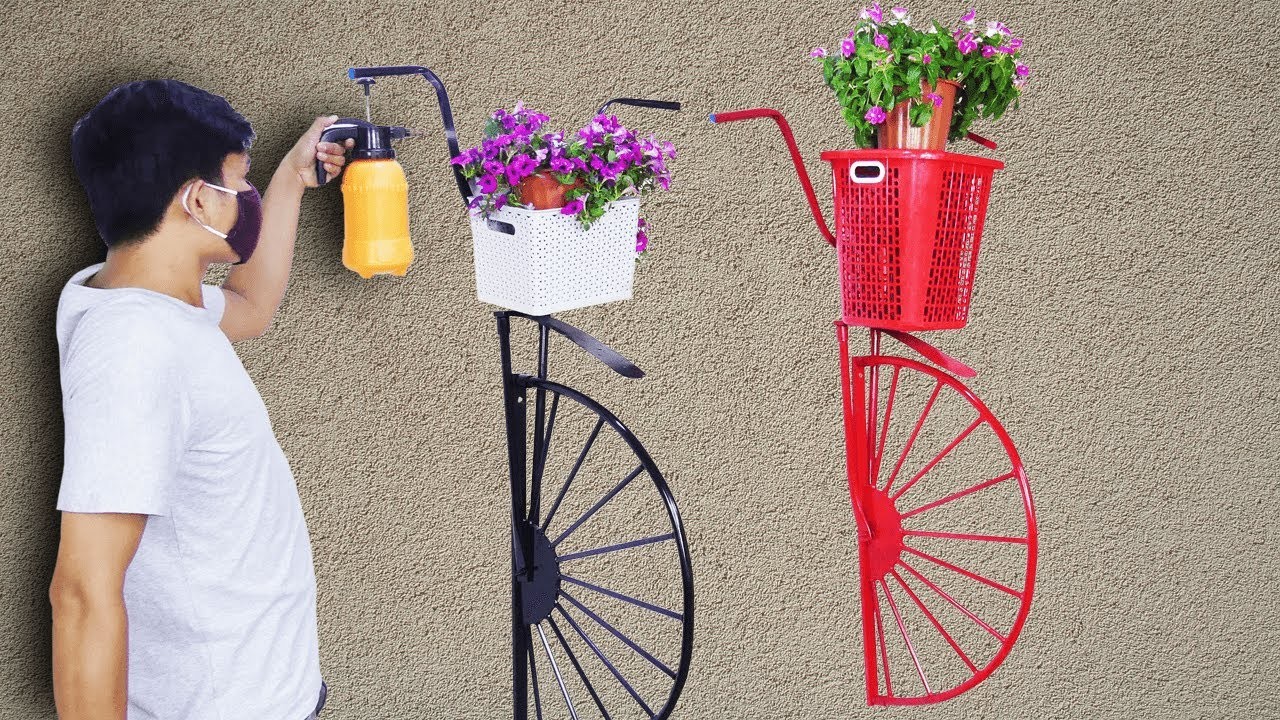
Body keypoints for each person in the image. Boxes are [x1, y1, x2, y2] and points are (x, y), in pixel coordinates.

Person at [48, 78, 355, 720]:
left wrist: (291, 179)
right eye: (238, 184)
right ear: (196, 201)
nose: (247, 199)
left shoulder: (152, 301)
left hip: (264, 689)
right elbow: (82, 593)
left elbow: (249, 307)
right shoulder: (131, 347)